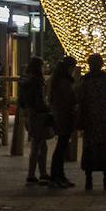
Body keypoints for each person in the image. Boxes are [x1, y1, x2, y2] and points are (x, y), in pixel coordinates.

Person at [77, 53, 106, 191]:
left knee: (90, 149)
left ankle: (89, 181)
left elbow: (80, 97)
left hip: (90, 119)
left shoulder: (85, 80)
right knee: (105, 149)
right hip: (105, 119)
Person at [19, 56, 52, 186]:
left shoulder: (24, 82)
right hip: (39, 115)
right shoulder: (37, 82)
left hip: (29, 114)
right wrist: (47, 108)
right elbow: (39, 101)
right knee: (39, 145)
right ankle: (35, 174)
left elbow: (21, 101)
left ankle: (38, 173)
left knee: (39, 144)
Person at [48, 56, 77, 188]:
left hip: (60, 117)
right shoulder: (64, 82)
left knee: (61, 147)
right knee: (61, 148)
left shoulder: (57, 81)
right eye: (72, 68)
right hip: (64, 117)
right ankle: (56, 176)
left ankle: (59, 175)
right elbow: (69, 99)